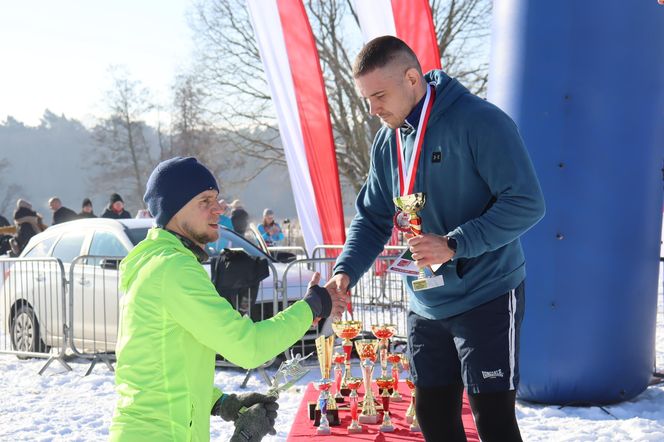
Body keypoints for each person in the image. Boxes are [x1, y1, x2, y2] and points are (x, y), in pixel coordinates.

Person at [327, 36, 545, 442]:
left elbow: (527, 203)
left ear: (412, 78)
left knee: (492, 419)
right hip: (424, 301)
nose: (372, 109)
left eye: (378, 96)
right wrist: (345, 271)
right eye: (366, 98)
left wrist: (455, 242)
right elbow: (373, 218)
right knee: (432, 416)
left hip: (487, 292)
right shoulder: (387, 141)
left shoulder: (480, 121)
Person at [109, 156, 346, 441]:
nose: (219, 209)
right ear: (174, 209)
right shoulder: (173, 268)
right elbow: (249, 347)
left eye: (217, 199)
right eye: (205, 201)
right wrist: (312, 307)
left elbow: (160, 368)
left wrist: (221, 403)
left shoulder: (156, 262)